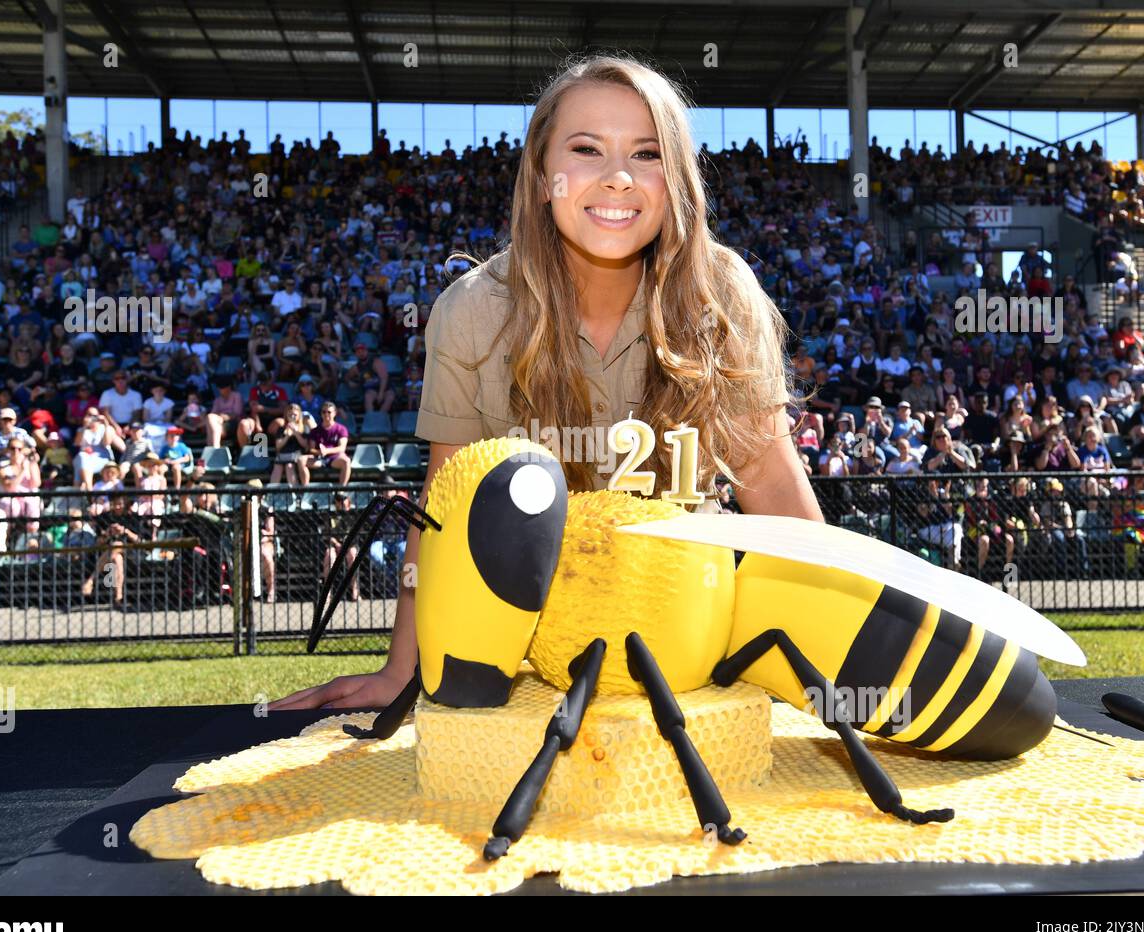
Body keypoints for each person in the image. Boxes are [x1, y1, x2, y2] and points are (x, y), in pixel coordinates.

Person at [273, 54, 820, 712]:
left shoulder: (721, 291)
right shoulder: (473, 307)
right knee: (466, 715)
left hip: (687, 631)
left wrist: (838, 659)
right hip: (531, 639)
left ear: (675, 180)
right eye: (587, 149)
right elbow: (444, 505)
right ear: (540, 176)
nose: (618, 177)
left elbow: (774, 486)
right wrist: (402, 668)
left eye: (647, 154)